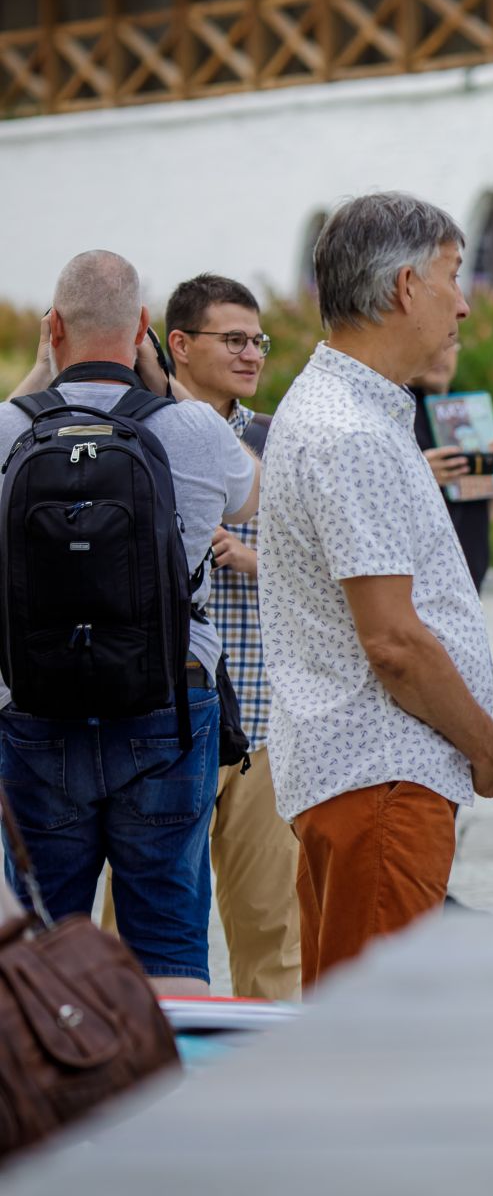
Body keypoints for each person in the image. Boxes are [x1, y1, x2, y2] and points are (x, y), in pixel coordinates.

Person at [258, 193, 493, 989]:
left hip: (361, 776)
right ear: (404, 287)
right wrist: (489, 748)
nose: (464, 303)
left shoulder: (344, 411)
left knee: (348, 1032)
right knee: (374, 1048)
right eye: (454, 277)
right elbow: (393, 642)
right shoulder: (351, 429)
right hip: (381, 777)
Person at [0, 251, 259, 996]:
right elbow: (253, 497)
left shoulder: (11, 428)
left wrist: (33, 381)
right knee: (170, 938)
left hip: (37, 713)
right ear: (144, 328)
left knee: (42, 940)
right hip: (168, 710)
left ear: (54, 329)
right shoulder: (193, 430)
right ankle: (173, 1099)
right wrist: (171, 390)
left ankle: (55, 1099)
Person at [164, 273, 301, 999]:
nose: (251, 354)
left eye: (258, 341)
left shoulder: (280, 438)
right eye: (234, 340)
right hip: (166, 721)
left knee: (274, 933)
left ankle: (274, 1091)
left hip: (265, 725)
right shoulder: (140, 435)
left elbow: (335, 567)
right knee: (148, 930)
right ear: (178, 346)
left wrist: (256, 558)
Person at [410, 340, 493, 593]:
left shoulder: (470, 412)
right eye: (435, 344)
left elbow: (482, 516)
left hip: (469, 572)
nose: (442, 356)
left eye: (451, 345)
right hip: (420, 577)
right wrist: (418, 473)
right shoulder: (398, 413)